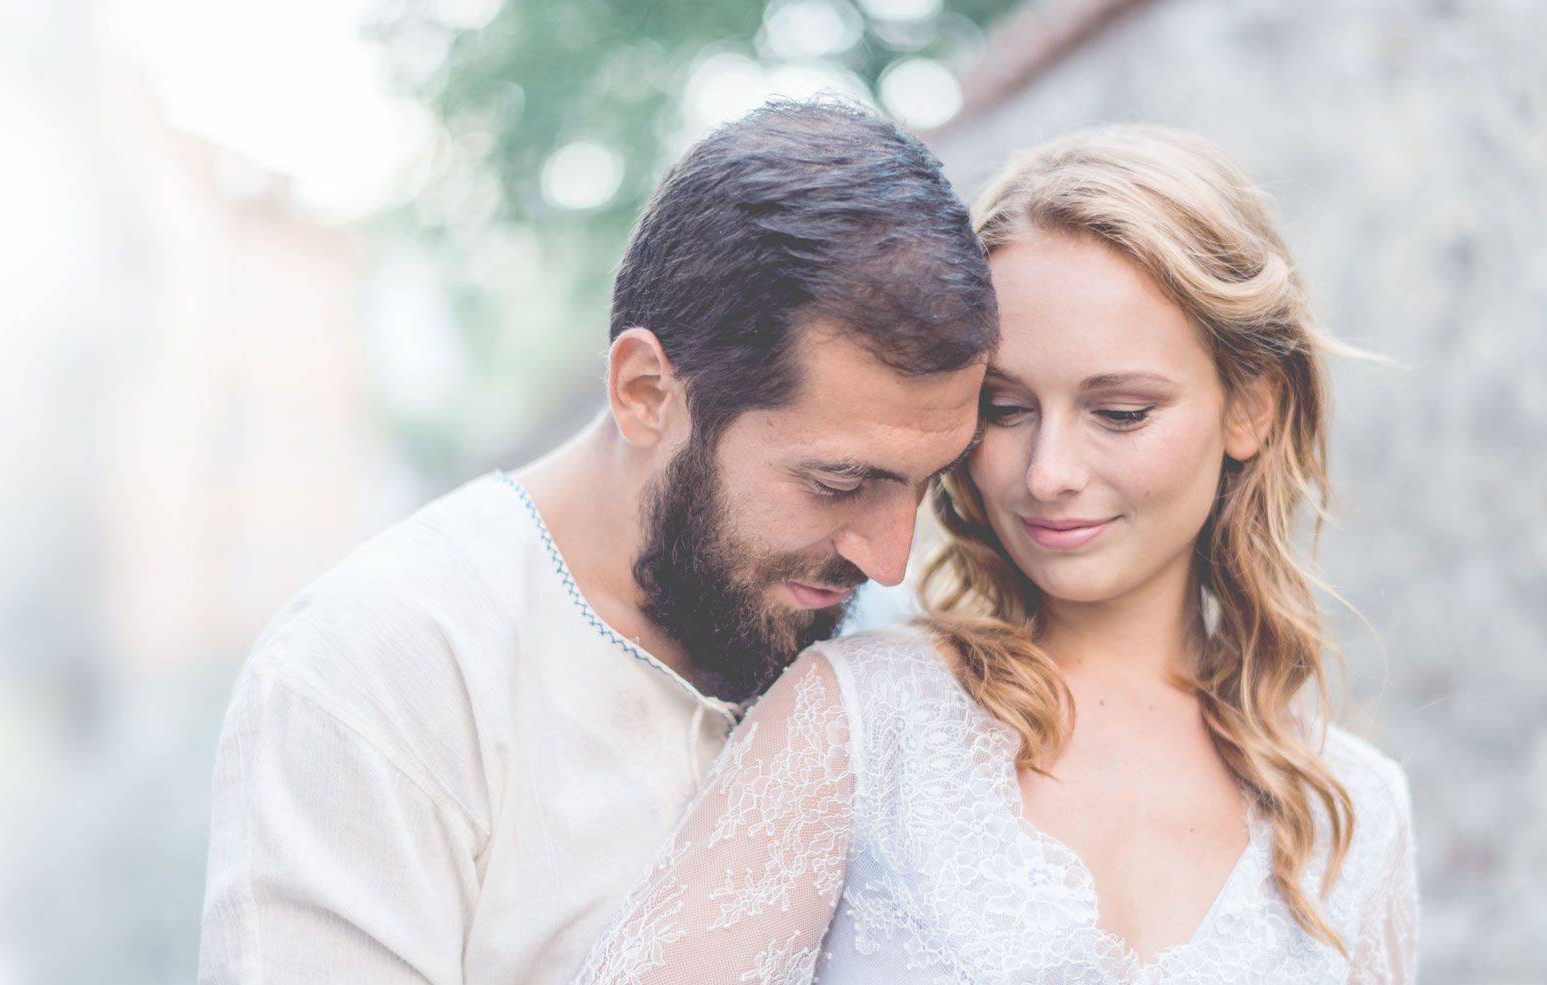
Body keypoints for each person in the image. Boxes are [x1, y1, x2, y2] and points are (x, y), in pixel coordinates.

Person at [575, 125, 1418, 984]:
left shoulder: (1357, 813)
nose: (1048, 475)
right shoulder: (865, 723)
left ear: (1252, 408)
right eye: (1007, 410)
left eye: (1120, 411)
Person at [196, 100, 999, 985]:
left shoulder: (900, 651)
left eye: (926, 485)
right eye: (838, 484)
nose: (888, 558)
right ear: (646, 390)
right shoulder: (381, 667)